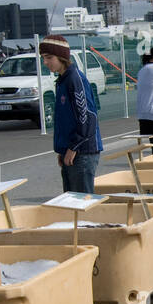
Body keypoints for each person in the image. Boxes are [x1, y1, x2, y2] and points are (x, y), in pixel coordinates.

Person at [38, 35, 103, 192]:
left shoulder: (74, 79)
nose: (45, 62)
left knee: (82, 205)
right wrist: (63, 149)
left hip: (82, 152)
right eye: (43, 58)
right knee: (72, 205)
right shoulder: (62, 80)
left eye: (49, 57)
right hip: (72, 151)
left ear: (61, 57)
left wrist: (73, 147)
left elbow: (88, 117)